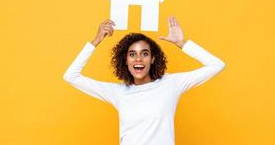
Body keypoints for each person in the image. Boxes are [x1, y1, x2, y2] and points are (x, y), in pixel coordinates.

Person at [63, 16, 226, 145]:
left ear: (153, 59)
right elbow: (71, 76)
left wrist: (182, 43)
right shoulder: (118, 92)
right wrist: (96, 40)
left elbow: (217, 65)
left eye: (145, 53)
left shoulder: (171, 84)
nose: (138, 59)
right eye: (132, 54)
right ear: (125, 60)